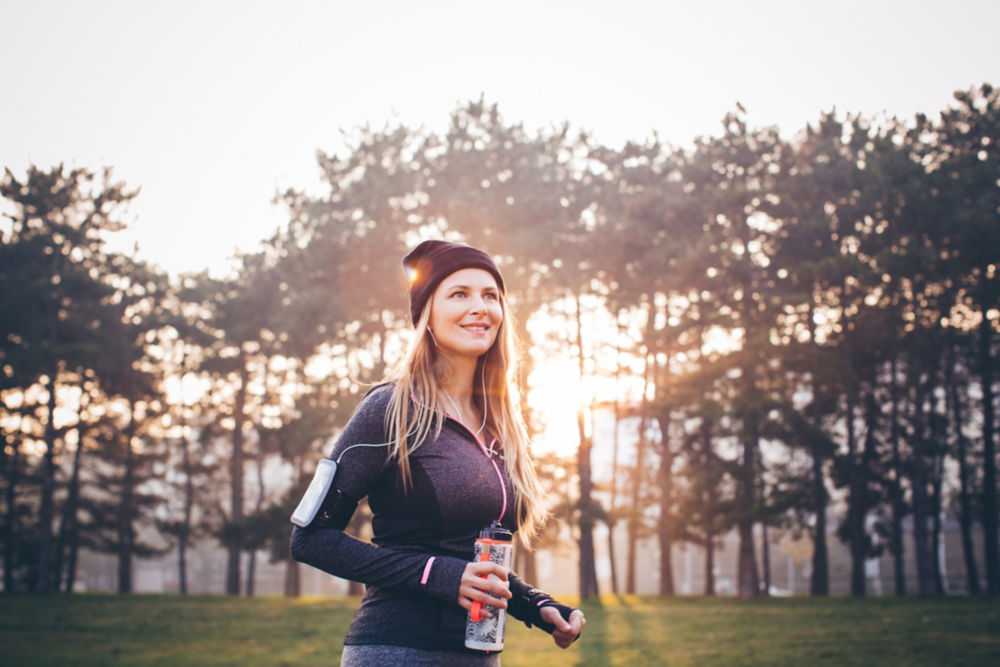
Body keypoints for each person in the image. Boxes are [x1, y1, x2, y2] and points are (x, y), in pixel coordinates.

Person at [290, 240, 585, 665]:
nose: (480, 306)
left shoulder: (498, 424)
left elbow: (474, 561)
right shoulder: (391, 409)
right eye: (459, 294)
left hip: (478, 655)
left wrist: (535, 604)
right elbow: (311, 537)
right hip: (397, 649)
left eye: (490, 295)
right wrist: (436, 574)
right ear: (426, 314)